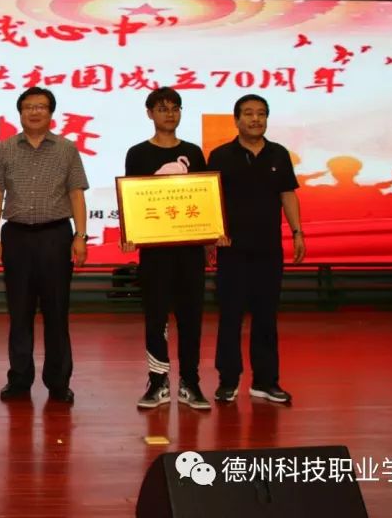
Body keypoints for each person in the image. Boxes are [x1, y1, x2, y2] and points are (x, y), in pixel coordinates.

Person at [0, 87, 89, 404]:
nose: (35, 112)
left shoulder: (67, 149)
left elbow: (76, 193)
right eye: (28, 107)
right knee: (19, 312)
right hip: (16, 236)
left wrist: (80, 236)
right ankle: (19, 379)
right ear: (20, 113)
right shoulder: (4, 149)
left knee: (57, 312)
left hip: (55, 236)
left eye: (41, 107)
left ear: (51, 113)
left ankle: (59, 382)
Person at [122, 87, 220, 411]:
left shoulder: (193, 152)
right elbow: (133, 198)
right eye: (162, 108)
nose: (169, 114)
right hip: (155, 251)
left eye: (175, 108)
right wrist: (131, 232)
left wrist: (210, 238)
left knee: (191, 317)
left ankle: (190, 382)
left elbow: (203, 199)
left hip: (189, 250)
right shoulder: (138, 153)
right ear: (149, 113)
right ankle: (158, 381)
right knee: (156, 318)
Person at [208, 94, 306, 404]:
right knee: (230, 316)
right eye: (248, 113)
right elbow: (211, 199)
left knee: (266, 315)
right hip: (232, 249)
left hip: (268, 249)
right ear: (236, 119)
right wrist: (212, 236)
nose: (255, 119)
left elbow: (287, 194)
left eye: (261, 113)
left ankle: (265, 381)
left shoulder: (278, 154)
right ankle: (228, 380)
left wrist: (297, 232)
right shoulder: (220, 155)